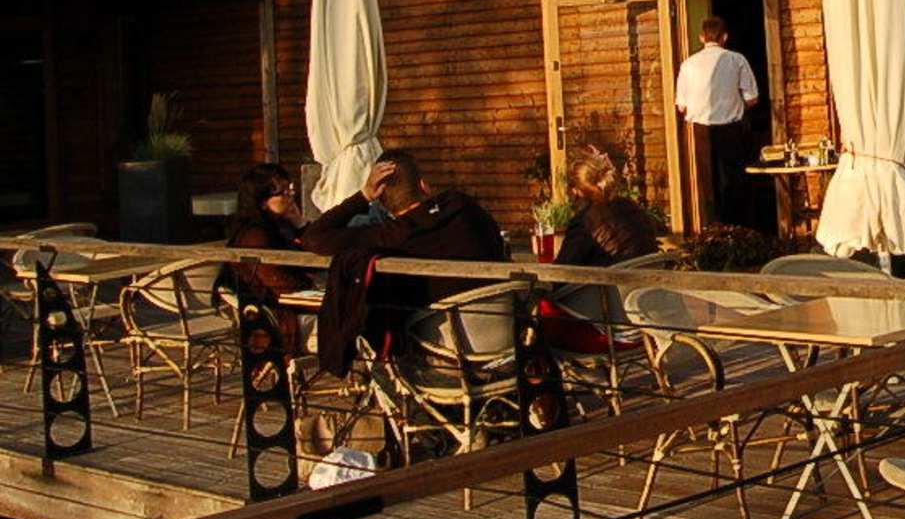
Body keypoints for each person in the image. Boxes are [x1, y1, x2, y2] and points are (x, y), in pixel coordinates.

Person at [299, 148, 508, 376]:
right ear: (424, 186)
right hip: (507, 340)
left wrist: (364, 196)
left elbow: (314, 237)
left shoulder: (389, 236)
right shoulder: (465, 207)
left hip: (444, 354)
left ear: (382, 203)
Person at [674, 15, 761, 226]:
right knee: (734, 183)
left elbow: (681, 106)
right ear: (725, 37)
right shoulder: (737, 60)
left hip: (699, 131)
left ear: (701, 37)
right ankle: (736, 229)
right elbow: (752, 99)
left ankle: (710, 228)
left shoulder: (688, 65)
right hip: (731, 130)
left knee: (705, 185)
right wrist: (733, 104)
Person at [222, 162, 314, 350]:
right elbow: (279, 283)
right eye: (283, 193)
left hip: (293, 303)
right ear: (263, 201)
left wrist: (300, 223)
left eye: (290, 190)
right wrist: (313, 287)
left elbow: (314, 258)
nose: (291, 196)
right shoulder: (255, 235)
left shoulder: (282, 226)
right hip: (277, 315)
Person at [555, 148, 661, 268]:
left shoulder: (585, 222)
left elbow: (563, 269)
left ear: (577, 191)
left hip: (612, 279)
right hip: (649, 277)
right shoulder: (632, 207)